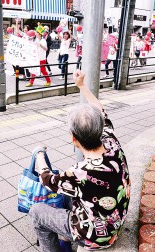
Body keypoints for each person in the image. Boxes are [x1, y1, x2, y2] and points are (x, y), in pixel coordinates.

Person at [29, 69, 131, 252]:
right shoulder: (112, 142)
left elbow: (47, 179)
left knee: (37, 212)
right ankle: (65, 241)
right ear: (100, 128)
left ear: (74, 139)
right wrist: (82, 86)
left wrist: (39, 155)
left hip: (95, 237)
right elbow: (100, 109)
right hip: (115, 222)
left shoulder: (78, 173)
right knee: (66, 192)